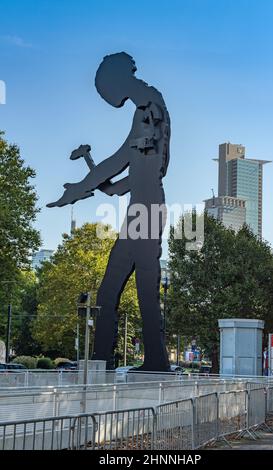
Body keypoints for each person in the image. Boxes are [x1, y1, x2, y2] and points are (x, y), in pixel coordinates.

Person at [48, 52, 170, 371]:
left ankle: (156, 361)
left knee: (145, 288)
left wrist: (79, 186)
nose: (106, 97)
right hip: (139, 213)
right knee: (109, 289)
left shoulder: (149, 107)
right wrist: (91, 174)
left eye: (104, 89)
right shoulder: (149, 112)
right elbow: (116, 185)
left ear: (116, 80)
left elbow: (119, 160)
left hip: (148, 211)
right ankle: (101, 360)